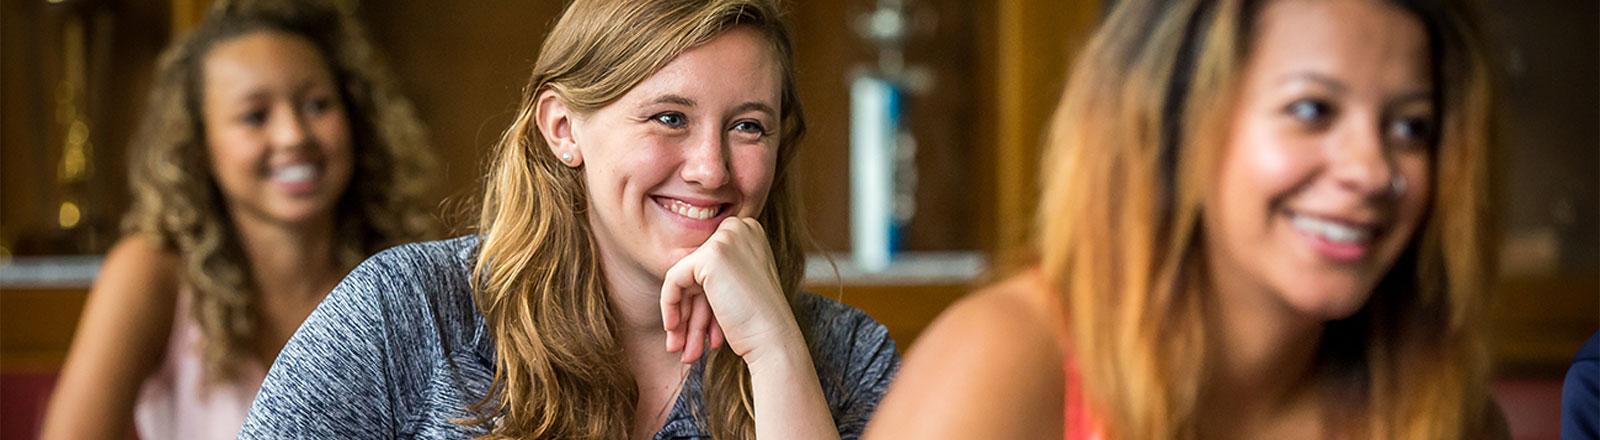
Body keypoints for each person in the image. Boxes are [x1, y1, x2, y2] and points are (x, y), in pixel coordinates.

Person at [238, 0, 899, 438]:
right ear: (562, 128)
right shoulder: (405, 313)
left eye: (748, 126)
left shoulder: (844, 356)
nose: (712, 169)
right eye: (669, 117)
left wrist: (777, 353)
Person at [865, 0, 1506, 438]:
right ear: (1170, 120)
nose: (1372, 170)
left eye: (1411, 126)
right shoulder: (1007, 362)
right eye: (1312, 110)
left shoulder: (1441, 407)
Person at [38, 0, 437, 438]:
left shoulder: (406, 271)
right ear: (199, 148)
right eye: (255, 116)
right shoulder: (152, 272)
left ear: (357, 120)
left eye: (317, 105)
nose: (294, 135)